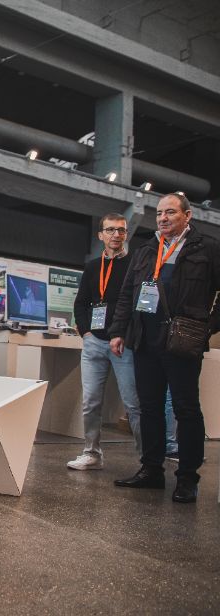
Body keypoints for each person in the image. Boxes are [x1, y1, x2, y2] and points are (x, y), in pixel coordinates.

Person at [110, 193, 220, 502]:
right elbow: (127, 293)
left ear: (188, 216)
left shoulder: (206, 247)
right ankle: (151, 470)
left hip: (183, 341)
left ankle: (187, 477)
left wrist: (206, 327)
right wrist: (119, 331)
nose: (162, 218)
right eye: (159, 213)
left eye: (170, 212)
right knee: (150, 408)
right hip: (145, 339)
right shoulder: (147, 249)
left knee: (185, 409)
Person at [67, 213, 141, 471]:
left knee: (133, 403)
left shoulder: (134, 264)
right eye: (110, 230)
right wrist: (85, 333)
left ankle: (147, 461)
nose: (116, 235)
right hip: (94, 343)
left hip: (123, 345)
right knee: (91, 402)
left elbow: (135, 305)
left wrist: (126, 335)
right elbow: (80, 303)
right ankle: (92, 453)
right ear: (101, 235)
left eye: (121, 230)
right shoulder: (92, 266)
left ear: (126, 234)